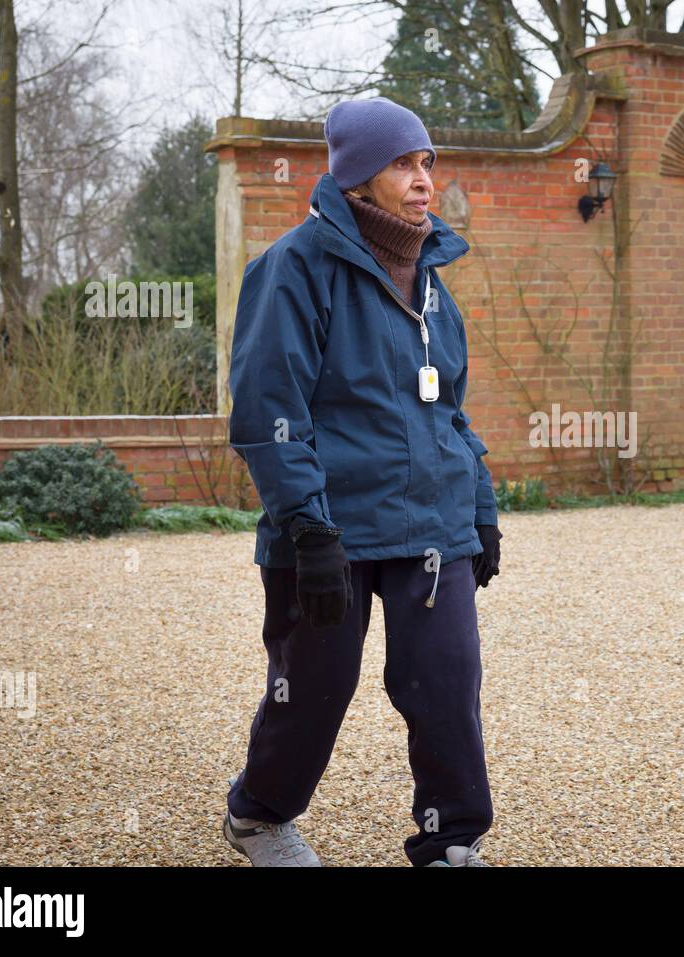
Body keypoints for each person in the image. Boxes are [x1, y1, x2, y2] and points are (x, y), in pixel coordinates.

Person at [221, 96, 502, 867]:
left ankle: (449, 842)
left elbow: (449, 405)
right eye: (403, 164)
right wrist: (306, 526)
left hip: (434, 529)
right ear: (356, 176)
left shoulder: (434, 274)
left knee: (445, 685)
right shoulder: (292, 268)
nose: (423, 181)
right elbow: (268, 410)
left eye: (426, 164)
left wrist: (480, 507)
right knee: (313, 687)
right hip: (330, 530)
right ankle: (259, 814)